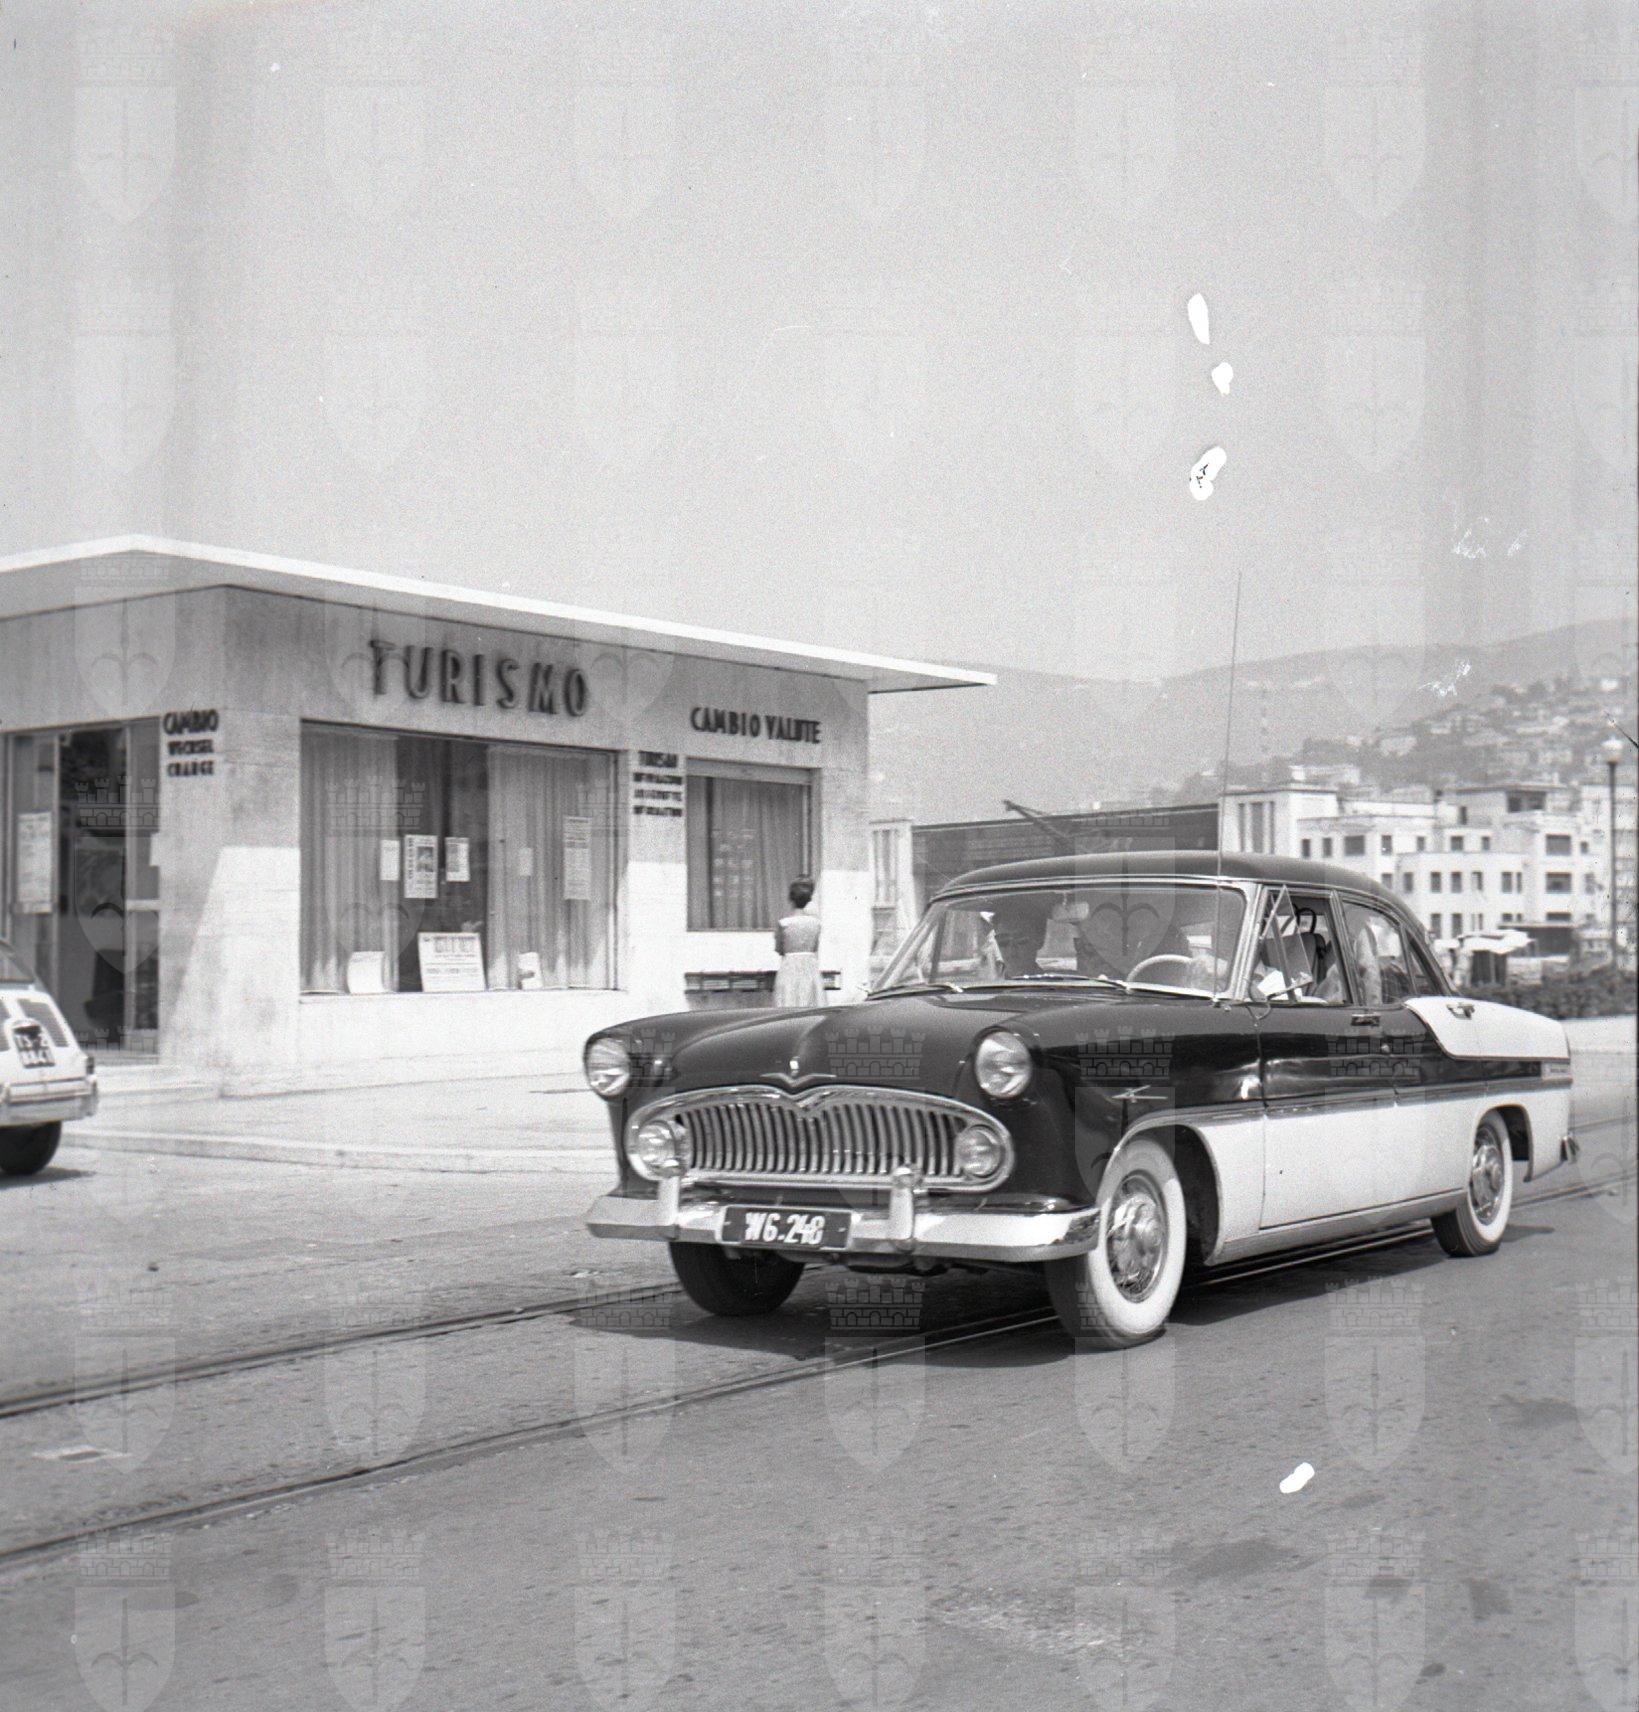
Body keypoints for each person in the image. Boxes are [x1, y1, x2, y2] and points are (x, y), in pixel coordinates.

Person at [773, 878, 824, 1007]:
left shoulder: (784, 924)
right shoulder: (816, 923)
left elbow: (779, 949)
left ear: (791, 899)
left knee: (788, 999)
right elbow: (815, 947)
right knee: (810, 1000)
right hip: (810, 966)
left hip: (789, 966)